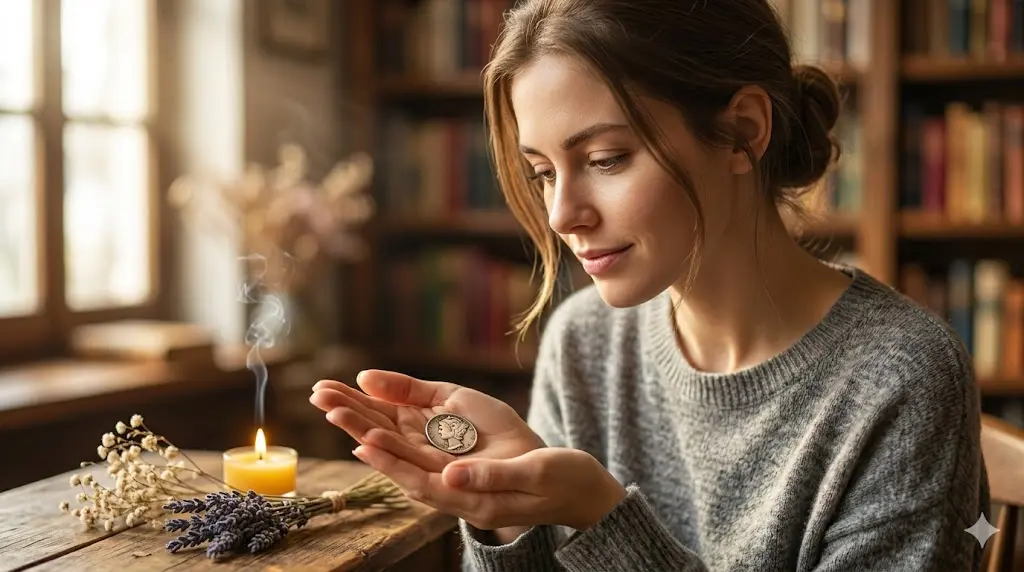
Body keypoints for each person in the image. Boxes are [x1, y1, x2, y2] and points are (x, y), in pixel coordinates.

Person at [309, 0, 991, 570]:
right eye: (544, 171)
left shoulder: (901, 376)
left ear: (742, 132)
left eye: (605, 159)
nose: (560, 215)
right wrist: (511, 524)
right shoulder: (585, 341)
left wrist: (599, 517)